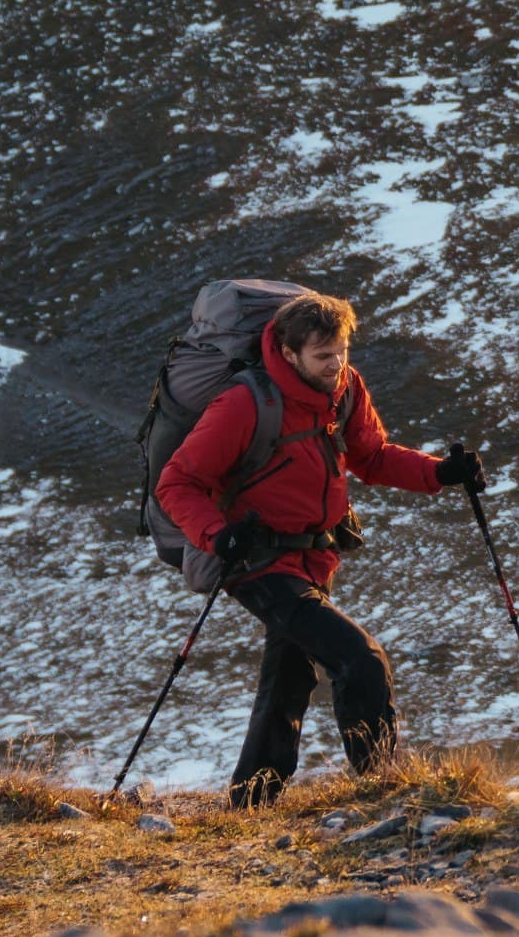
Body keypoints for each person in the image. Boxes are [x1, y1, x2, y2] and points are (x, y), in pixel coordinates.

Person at [154, 293, 485, 805]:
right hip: (257, 560)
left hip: (314, 556)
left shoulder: (344, 388)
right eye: (323, 357)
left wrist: (439, 472)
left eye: (342, 352)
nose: (337, 366)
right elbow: (177, 483)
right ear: (288, 354)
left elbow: (371, 457)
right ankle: (383, 789)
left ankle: (252, 803)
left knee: (289, 675)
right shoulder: (245, 403)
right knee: (361, 658)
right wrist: (217, 535)